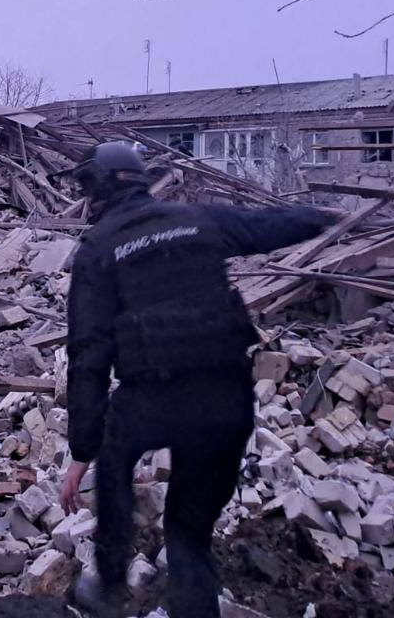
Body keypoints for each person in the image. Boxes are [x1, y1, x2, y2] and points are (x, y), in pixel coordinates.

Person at [60, 141, 337, 618]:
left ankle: (109, 584)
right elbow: (268, 225)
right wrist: (322, 216)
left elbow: (89, 355)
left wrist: (81, 451)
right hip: (227, 400)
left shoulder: (98, 249)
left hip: (153, 399)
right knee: (188, 529)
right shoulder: (198, 218)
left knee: (113, 458)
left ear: (98, 190)